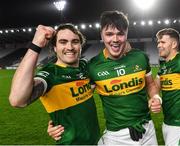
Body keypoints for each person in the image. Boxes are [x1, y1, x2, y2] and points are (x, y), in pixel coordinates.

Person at [47, 11, 162, 145]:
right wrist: (56, 124)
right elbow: (78, 100)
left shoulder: (140, 57)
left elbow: (150, 85)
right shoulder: (93, 67)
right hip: (117, 136)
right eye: (109, 34)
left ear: (126, 34)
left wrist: (155, 97)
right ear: (101, 35)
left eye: (120, 34)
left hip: (148, 129)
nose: (115, 39)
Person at [8, 23, 100, 145]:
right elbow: (17, 100)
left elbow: (88, 88)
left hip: (96, 142)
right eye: (63, 42)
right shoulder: (50, 74)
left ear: (81, 46)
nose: (70, 47)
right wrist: (36, 45)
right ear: (55, 47)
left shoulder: (84, 66)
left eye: (75, 41)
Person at [155, 28, 180, 146]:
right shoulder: (164, 66)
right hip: (167, 122)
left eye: (163, 42)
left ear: (174, 44)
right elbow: (155, 86)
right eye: (158, 43)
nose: (159, 45)